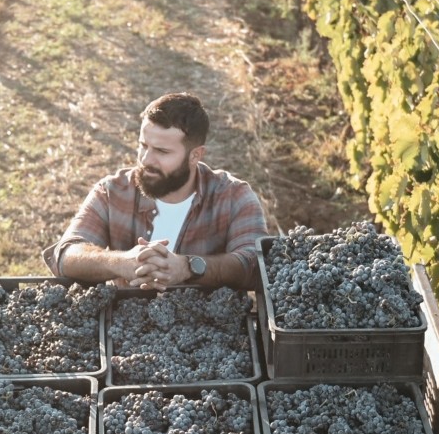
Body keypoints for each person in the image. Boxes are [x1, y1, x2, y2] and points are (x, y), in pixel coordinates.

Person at [45, 92, 270, 291]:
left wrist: (188, 267)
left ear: (195, 155)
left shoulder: (234, 197)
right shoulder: (111, 191)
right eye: (143, 146)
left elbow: (254, 264)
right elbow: (66, 255)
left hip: (209, 327)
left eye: (162, 151)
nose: (145, 160)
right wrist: (121, 263)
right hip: (126, 326)